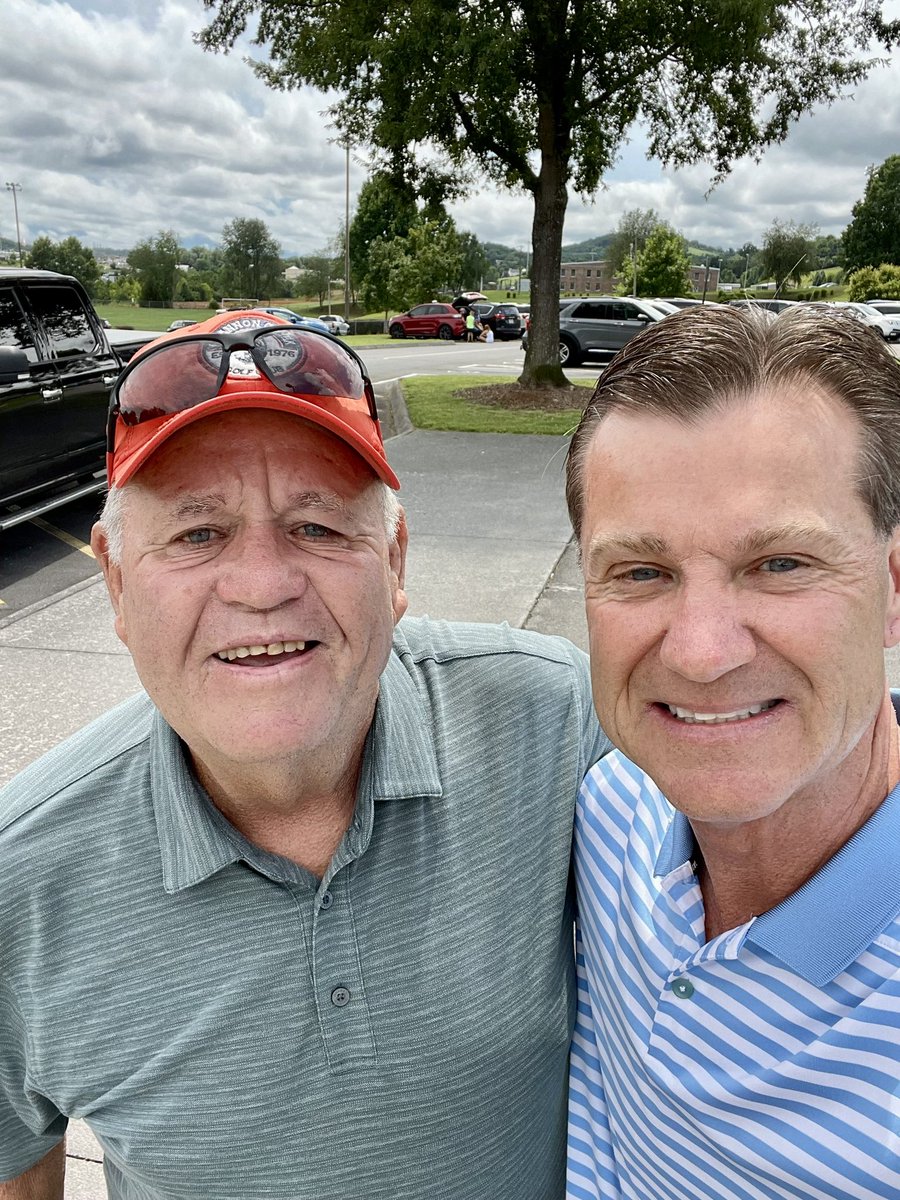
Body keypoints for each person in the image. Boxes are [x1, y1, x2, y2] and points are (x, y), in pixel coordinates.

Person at [0, 310, 608, 1200]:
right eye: (198, 534)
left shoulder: (557, 728)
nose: (262, 584)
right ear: (117, 584)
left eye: (318, 527)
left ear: (394, 562)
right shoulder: (22, 881)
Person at [564, 305, 900, 1199]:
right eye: (641, 572)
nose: (701, 651)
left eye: (781, 563)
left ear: (895, 588)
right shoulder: (612, 814)